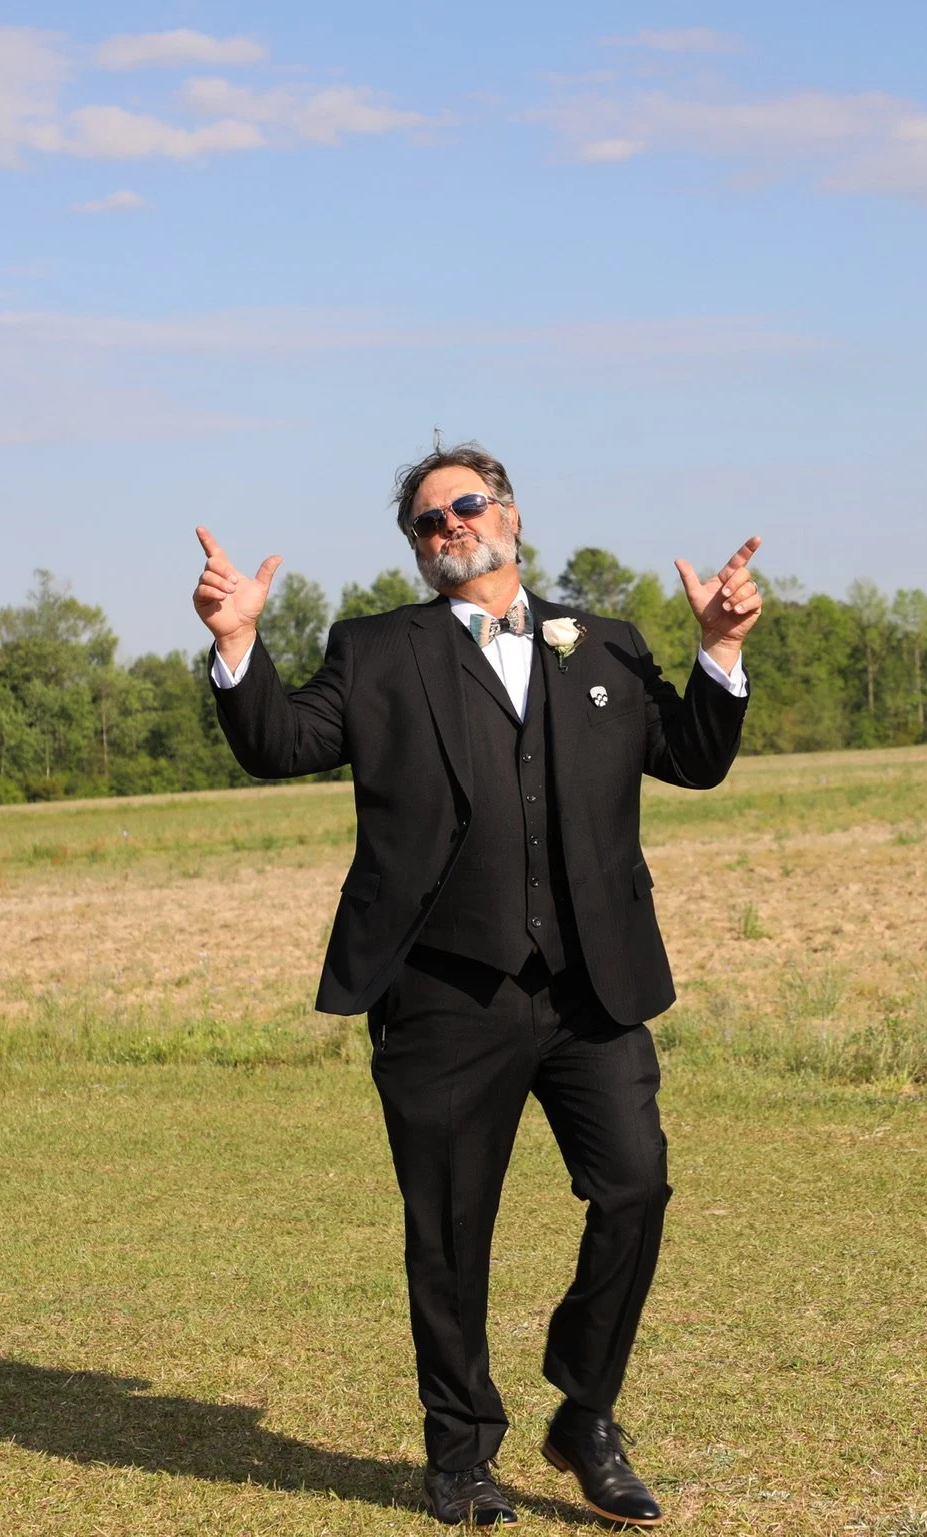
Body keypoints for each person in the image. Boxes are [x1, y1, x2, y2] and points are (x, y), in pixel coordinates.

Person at [193, 442, 761, 1527]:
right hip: (444, 994)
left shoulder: (604, 643)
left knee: (635, 1185)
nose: (449, 527)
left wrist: (720, 651)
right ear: (415, 548)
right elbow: (277, 743)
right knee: (452, 1230)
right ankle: (459, 1455)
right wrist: (237, 646)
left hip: (592, 985)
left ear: (507, 512)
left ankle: (585, 1412)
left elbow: (692, 756)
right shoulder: (373, 652)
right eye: (426, 522)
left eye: (463, 506)